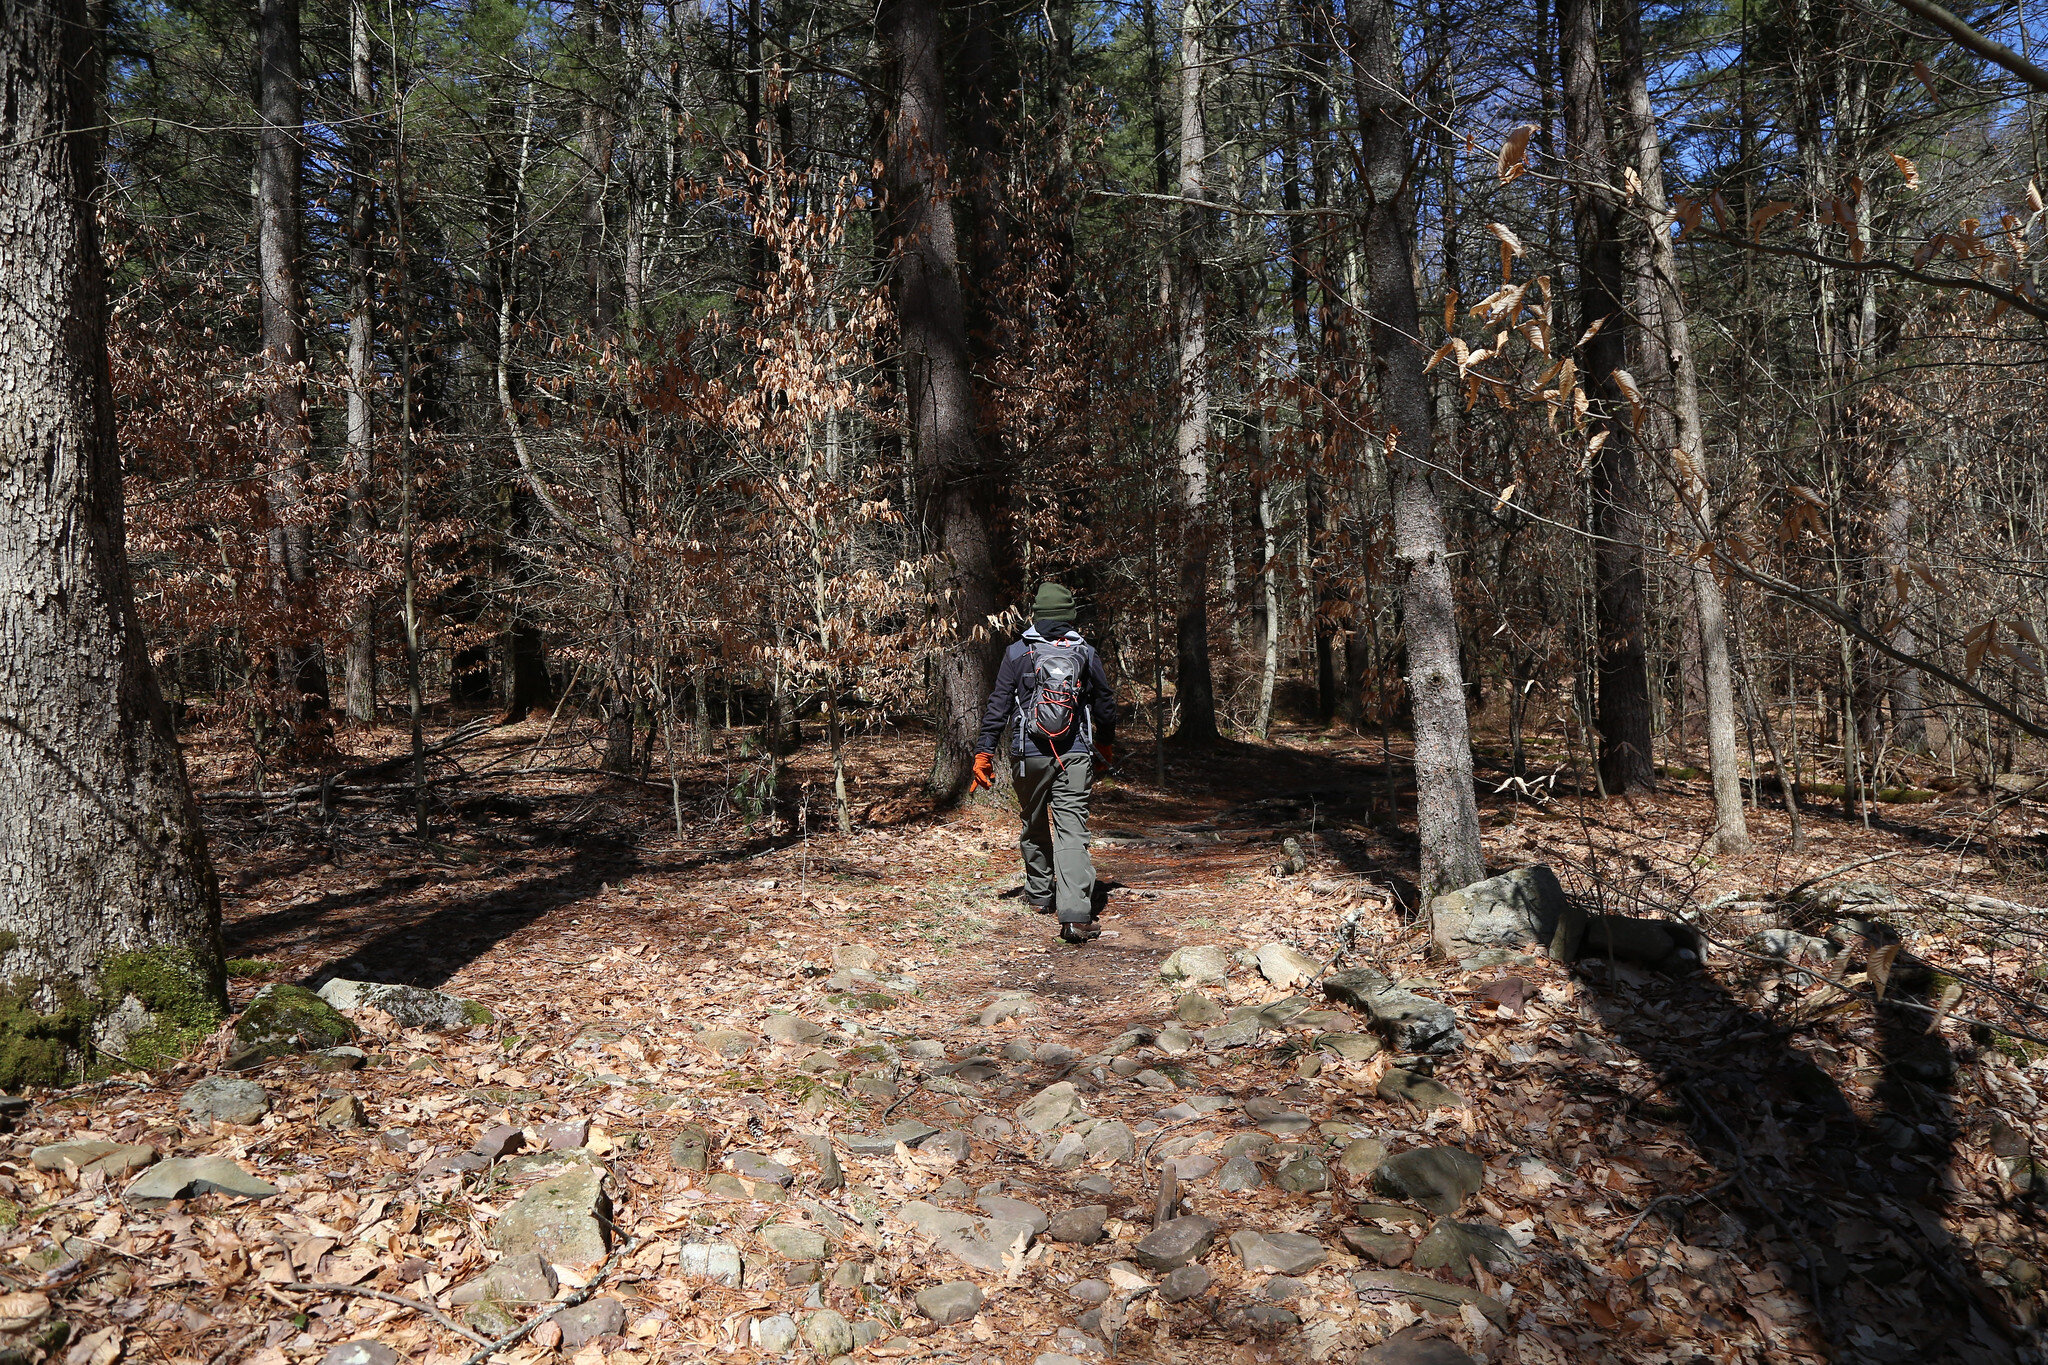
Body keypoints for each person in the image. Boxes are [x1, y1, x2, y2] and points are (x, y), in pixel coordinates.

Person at [971, 583, 1119, 944]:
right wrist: (1105, 743)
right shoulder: (1084, 651)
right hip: (1075, 755)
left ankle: (1039, 894)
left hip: (1028, 755)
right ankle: (1075, 915)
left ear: (1035, 614)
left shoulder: (1018, 652)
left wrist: (984, 752)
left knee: (1034, 819)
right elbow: (1105, 702)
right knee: (1071, 831)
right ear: (1069, 615)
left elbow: (998, 705)